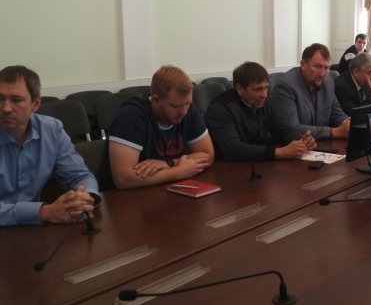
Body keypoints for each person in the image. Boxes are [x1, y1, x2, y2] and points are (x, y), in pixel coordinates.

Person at [0, 66, 100, 226]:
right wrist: (42, 212)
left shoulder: (51, 129)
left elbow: (79, 175)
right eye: (0, 98)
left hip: (31, 230)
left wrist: (85, 197)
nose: (5, 108)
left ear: (35, 104)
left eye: (16, 100)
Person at [99, 65, 214, 190]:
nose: (184, 112)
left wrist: (169, 163)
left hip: (162, 190)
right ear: (155, 100)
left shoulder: (188, 110)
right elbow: (123, 179)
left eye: (188, 104)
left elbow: (207, 155)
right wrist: (179, 171)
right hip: (119, 196)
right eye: (175, 106)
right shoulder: (130, 116)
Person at [206, 62, 316, 161]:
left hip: (256, 161)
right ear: (240, 89)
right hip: (227, 167)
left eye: (266, 88)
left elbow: (283, 129)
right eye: (257, 89)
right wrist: (280, 152)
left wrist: (300, 141)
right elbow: (231, 149)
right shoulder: (220, 108)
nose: (264, 94)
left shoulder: (265, 102)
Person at [271, 43, 350, 140]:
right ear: (303, 64)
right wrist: (334, 132)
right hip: (291, 144)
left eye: (326, 68)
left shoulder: (328, 82)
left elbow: (336, 114)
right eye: (317, 66)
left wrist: (349, 124)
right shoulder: (286, 86)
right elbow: (292, 128)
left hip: (320, 143)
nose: (322, 74)